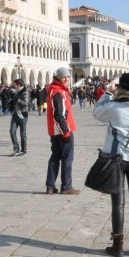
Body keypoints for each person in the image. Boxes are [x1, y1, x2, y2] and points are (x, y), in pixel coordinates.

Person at [92, 72, 129, 257]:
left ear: (121, 87)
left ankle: (117, 246)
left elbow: (96, 112)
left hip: (116, 159)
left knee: (118, 203)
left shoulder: (113, 107)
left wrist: (107, 93)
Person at [45, 67, 80, 195]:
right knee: (67, 158)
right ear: (58, 78)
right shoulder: (58, 92)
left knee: (55, 157)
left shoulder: (56, 90)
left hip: (55, 131)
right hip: (62, 130)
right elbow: (58, 114)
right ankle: (66, 186)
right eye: (64, 77)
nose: (66, 79)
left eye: (68, 77)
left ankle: (50, 186)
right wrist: (65, 131)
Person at [9, 79, 30, 156]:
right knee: (12, 131)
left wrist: (17, 100)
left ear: (18, 85)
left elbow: (25, 103)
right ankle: (16, 149)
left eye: (14, 84)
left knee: (22, 133)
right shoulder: (16, 91)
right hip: (15, 115)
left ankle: (24, 150)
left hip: (22, 115)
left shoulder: (25, 92)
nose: (13, 85)